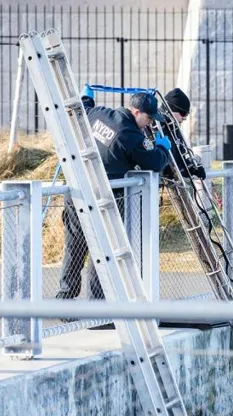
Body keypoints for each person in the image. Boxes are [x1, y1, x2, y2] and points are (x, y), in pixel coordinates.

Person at [56, 89, 172, 300]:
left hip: (78, 190)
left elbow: (82, 109)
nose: (150, 124)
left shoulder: (99, 113)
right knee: (103, 249)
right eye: (148, 118)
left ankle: (66, 296)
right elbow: (154, 163)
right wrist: (163, 150)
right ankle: (98, 304)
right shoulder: (131, 135)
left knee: (75, 244)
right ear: (136, 112)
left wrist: (86, 97)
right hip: (107, 197)